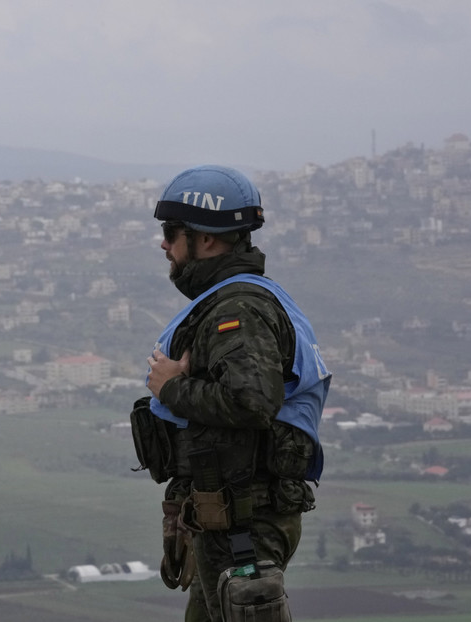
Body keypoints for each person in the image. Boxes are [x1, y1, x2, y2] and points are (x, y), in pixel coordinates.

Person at [132, 165, 330, 622]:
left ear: (205, 239)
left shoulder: (239, 308)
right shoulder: (236, 298)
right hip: (227, 516)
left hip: (246, 520)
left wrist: (173, 387)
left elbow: (252, 402)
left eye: (170, 232)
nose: (163, 244)